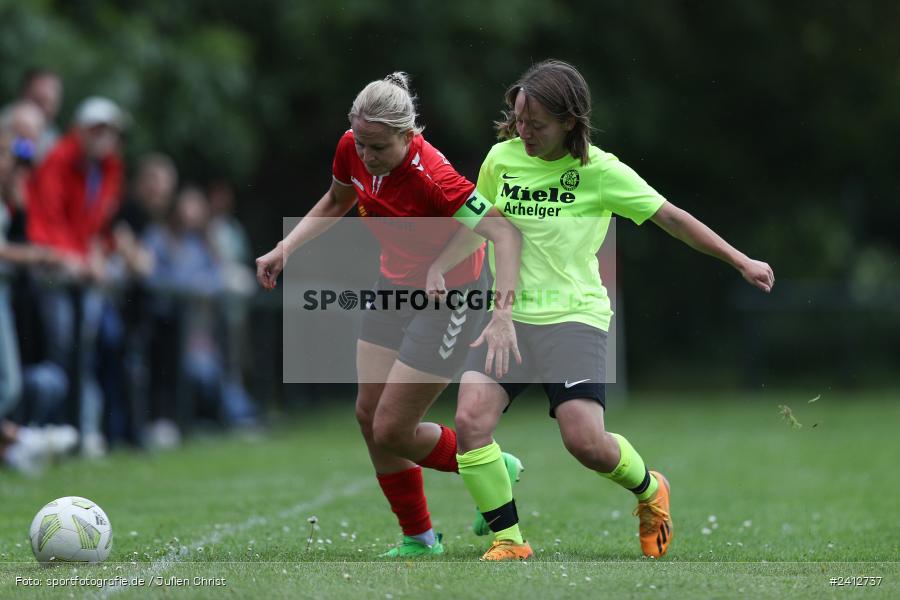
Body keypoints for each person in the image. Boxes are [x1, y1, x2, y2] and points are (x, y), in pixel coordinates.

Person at [438, 60, 775, 561]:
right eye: (519, 120)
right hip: (507, 319)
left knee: (584, 441)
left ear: (570, 122)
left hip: (574, 317)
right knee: (470, 420)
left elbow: (672, 218)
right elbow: (478, 226)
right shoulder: (499, 160)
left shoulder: (601, 171)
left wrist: (739, 259)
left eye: (538, 124)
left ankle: (650, 490)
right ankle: (510, 541)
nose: (524, 132)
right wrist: (438, 266)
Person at [255, 72, 524, 557]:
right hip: (393, 285)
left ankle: (487, 463)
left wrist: (501, 314)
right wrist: (286, 248)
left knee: (393, 429)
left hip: (452, 297)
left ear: (409, 135)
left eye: (378, 147)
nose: (367, 156)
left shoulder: (436, 178)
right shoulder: (352, 147)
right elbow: (338, 199)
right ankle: (420, 538)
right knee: (367, 415)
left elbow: (503, 233)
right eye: (361, 143)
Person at [26, 96, 127, 457]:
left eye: (110, 130)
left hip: (83, 269)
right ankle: (53, 429)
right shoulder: (58, 159)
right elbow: (48, 216)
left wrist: (96, 254)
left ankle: (82, 430)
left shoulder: (110, 167)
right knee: (62, 345)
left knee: (87, 346)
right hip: (55, 267)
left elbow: (99, 222)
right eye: (97, 129)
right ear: (81, 130)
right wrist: (74, 257)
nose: (104, 137)